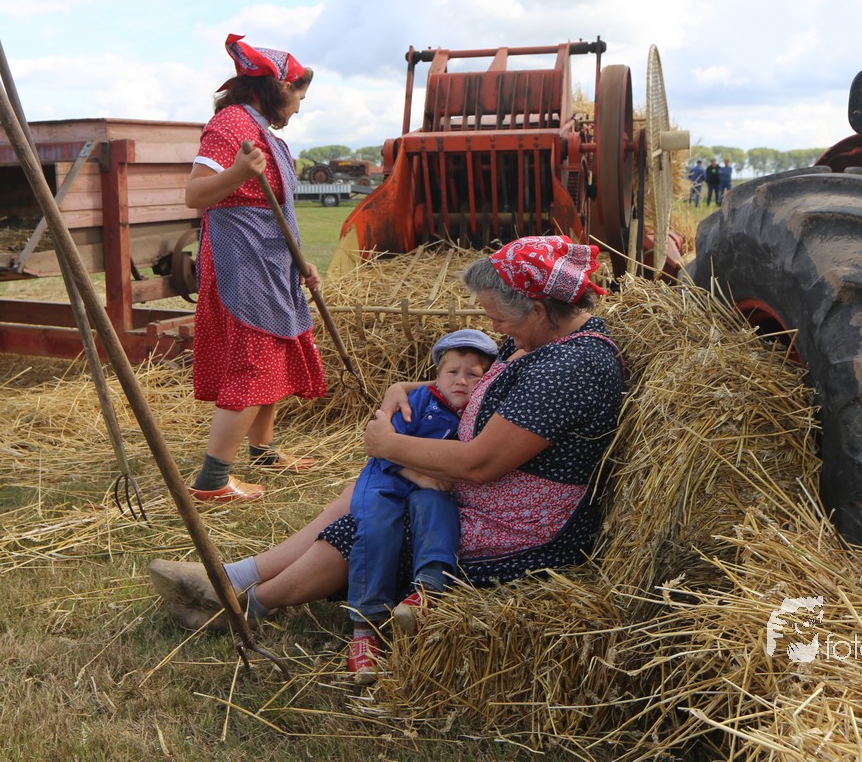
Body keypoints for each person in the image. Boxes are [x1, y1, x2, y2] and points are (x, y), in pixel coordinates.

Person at [148, 235, 628, 679]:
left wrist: (388, 445)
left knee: (368, 525)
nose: (494, 326)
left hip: (518, 523)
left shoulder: (572, 367)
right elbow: (480, 388)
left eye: (499, 318)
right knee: (370, 489)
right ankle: (232, 578)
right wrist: (405, 387)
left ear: (539, 309)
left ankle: (243, 606)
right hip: (484, 494)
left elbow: (481, 463)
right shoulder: (541, 341)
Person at [183, 34, 326, 503]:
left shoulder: (263, 132)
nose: (299, 107)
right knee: (254, 364)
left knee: (274, 357)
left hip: (272, 264)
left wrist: (300, 262)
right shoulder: (231, 125)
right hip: (243, 267)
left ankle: (263, 452)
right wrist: (239, 173)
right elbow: (195, 195)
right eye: (298, 95)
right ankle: (212, 480)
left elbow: (278, 212)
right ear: (278, 88)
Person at [346, 328, 497, 683]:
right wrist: (419, 475)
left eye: (473, 375)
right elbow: (383, 447)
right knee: (378, 530)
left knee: (439, 510)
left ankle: (428, 589)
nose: (461, 381)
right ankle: (364, 626)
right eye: (452, 372)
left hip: (432, 482)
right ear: (437, 375)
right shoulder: (418, 401)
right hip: (387, 477)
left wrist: (429, 482)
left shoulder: (480, 414)